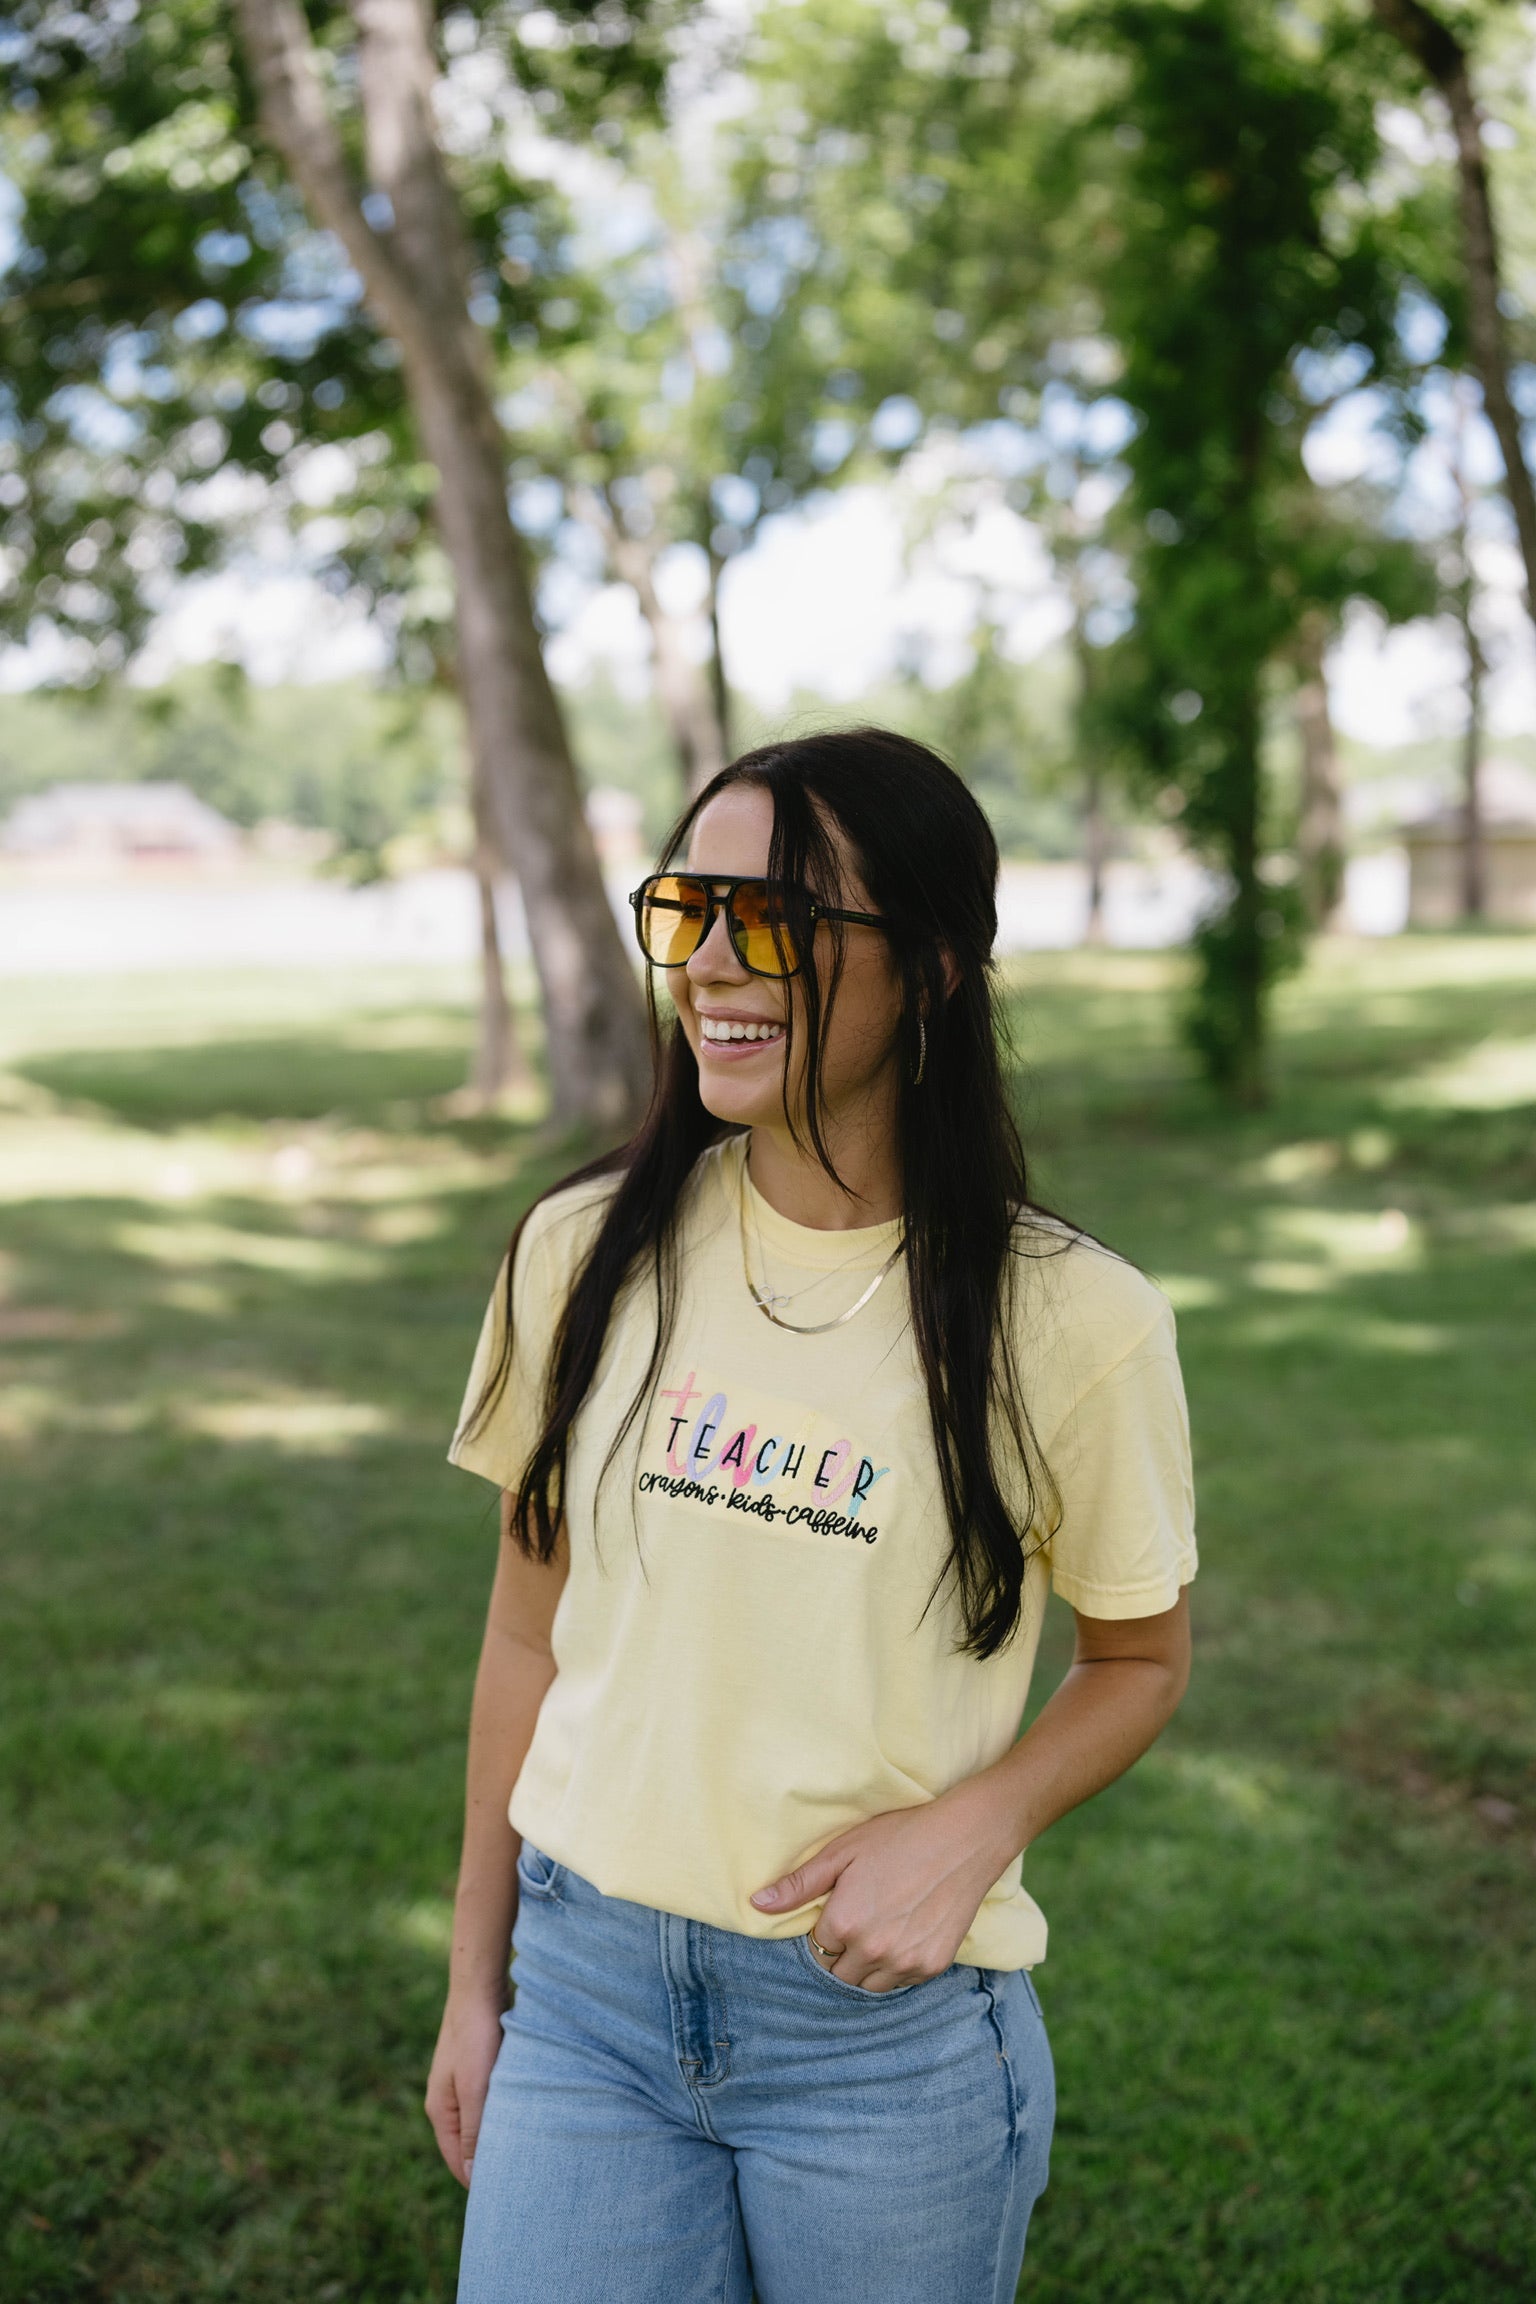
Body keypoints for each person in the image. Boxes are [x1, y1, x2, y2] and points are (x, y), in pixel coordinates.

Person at [427, 729, 1196, 2304]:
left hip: (884, 2048)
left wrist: (977, 1827)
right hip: (588, 2009)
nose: (713, 961)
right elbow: (524, 1637)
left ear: (927, 972)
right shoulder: (578, 1252)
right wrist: (473, 1982)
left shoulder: (1075, 1321)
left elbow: (1141, 1660)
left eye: (771, 919)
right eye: (689, 909)